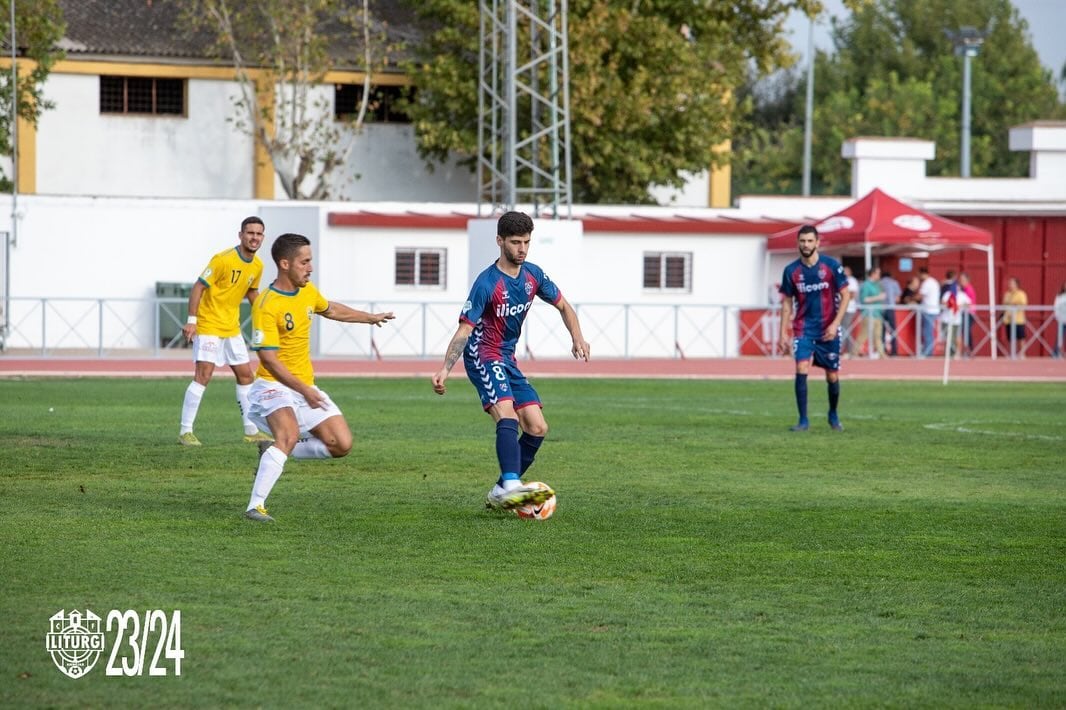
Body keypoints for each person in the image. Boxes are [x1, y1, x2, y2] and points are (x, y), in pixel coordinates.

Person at [431, 211, 590, 511]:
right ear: (499, 241)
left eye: (527, 242)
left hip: (507, 358)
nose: (522, 249)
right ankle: (513, 485)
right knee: (508, 416)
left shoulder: (533, 275)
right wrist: (445, 368)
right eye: (516, 242)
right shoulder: (486, 283)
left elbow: (564, 306)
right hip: (482, 355)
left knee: (537, 427)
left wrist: (577, 337)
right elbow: (465, 329)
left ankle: (501, 489)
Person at [243, 233, 395, 522]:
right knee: (287, 434)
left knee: (341, 444)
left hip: (304, 387)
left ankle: (271, 450)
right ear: (285, 264)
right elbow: (268, 359)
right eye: (305, 262)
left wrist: (370, 317)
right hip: (271, 386)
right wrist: (304, 389)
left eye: (310, 261)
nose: (310, 267)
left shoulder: (307, 291)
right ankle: (255, 506)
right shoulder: (266, 304)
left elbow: (331, 308)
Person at [178, 216, 272, 446]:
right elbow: (199, 286)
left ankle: (251, 431)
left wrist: (265, 314)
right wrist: (192, 320)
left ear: (263, 237)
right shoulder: (222, 259)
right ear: (240, 235)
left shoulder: (258, 265)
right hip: (209, 324)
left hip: (232, 328)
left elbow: (251, 292)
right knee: (204, 375)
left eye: (258, 234)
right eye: (250, 233)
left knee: (246, 375)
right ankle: (185, 431)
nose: (254, 237)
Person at [778, 224, 850, 432]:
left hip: (828, 329)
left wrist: (835, 323)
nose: (806, 245)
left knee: (832, 376)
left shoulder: (831, 266)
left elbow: (846, 295)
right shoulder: (791, 271)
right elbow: (787, 303)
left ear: (817, 243)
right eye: (802, 241)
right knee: (801, 368)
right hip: (803, 328)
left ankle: (833, 414)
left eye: (810, 241)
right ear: (798, 243)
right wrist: (783, 332)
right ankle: (803, 420)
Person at [854, 267, 886, 358]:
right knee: (863, 335)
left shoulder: (878, 285)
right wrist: (878, 297)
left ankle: (882, 354)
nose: (879, 275)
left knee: (878, 336)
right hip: (868, 314)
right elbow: (864, 299)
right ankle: (854, 352)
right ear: (873, 274)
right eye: (878, 273)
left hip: (878, 313)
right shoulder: (866, 285)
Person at [940, 276, 971, 358]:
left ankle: (955, 353)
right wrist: (950, 304)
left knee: (955, 337)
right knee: (947, 337)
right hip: (946, 319)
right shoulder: (948, 294)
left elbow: (968, 303)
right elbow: (943, 302)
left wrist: (960, 306)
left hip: (956, 320)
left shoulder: (962, 295)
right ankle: (948, 353)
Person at [1000, 276, 1028, 357]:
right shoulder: (1007, 294)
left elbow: (1023, 304)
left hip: (1018, 319)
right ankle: (1012, 353)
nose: (1010, 285)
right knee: (1010, 338)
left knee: (1021, 337)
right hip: (1008, 319)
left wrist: (1013, 304)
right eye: (1009, 283)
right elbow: (1004, 305)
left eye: (1012, 283)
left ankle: (1022, 354)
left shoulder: (1021, 294)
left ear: (1017, 284)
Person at [917, 268, 940, 357]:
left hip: (928, 310)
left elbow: (919, 296)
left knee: (927, 332)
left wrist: (910, 299)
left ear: (923, 274)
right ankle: (928, 351)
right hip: (934, 310)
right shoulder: (934, 282)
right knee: (929, 332)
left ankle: (928, 352)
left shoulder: (926, 283)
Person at [879, 270, 901, 356]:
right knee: (893, 330)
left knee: (882, 331)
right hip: (891, 308)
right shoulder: (894, 283)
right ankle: (894, 351)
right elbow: (898, 298)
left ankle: (882, 350)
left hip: (881, 308)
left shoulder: (879, 283)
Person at [957, 272, 977, 355]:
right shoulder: (962, 289)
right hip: (963, 313)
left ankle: (970, 350)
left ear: (967, 280)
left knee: (967, 332)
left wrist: (958, 305)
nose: (961, 281)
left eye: (963, 280)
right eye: (960, 280)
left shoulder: (969, 289)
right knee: (963, 332)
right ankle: (965, 350)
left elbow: (968, 303)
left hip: (969, 314)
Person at [842, 265, 860, 357]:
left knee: (846, 329)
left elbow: (852, 294)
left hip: (849, 308)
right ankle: (844, 350)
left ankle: (846, 350)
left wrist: (843, 296)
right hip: (840, 308)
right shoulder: (839, 279)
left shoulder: (852, 281)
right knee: (842, 329)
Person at [1054, 282, 1066, 358]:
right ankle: (1057, 352)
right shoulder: (1059, 296)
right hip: (1062, 319)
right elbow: (1056, 306)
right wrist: (1057, 316)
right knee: (1060, 337)